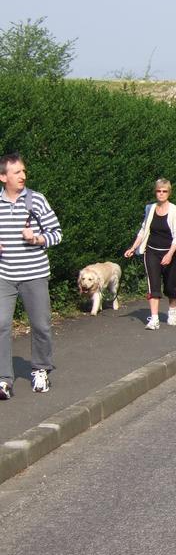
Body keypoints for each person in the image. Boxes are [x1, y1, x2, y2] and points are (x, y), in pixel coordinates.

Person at [0, 153, 63, 398]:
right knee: (1, 325)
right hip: (4, 275)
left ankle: (40, 369)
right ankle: (4, 378)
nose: (23, 176)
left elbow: (57, 233)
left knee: (41, 325)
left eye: (24, 172)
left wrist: (37, 238)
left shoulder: (36, 200)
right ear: (3, 177)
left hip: (34, 275)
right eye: (17, 173)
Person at [124, 178, 176, 331]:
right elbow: (144, 230)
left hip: (171, 252)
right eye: (159, 191)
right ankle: (154, 319)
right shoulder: (149, 208)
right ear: (155, 192)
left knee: (170, 286)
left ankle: (172, 311)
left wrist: (170, 254)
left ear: (169, 193)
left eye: (164, 191)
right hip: (151, 251)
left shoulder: (175, 210)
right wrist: (133, 247)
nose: (161, 194)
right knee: (153, 284)